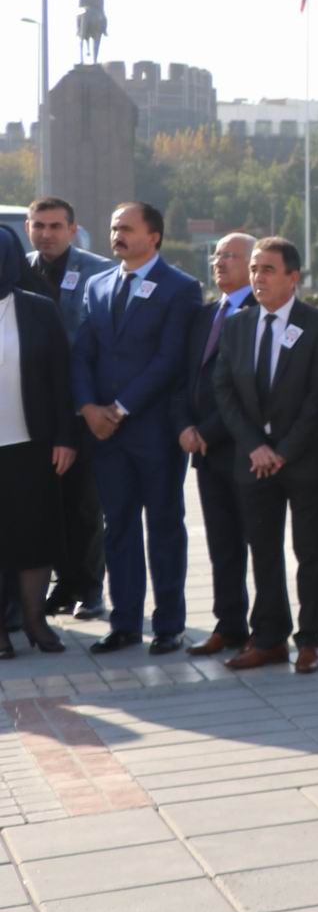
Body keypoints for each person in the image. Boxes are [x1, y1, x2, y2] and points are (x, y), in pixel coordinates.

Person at [72, 201, 200, 655]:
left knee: (164, 526)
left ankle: (168, 624)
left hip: (155, 432)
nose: (117, 235)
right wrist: (88, 408)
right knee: (118, 527)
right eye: (113, 228)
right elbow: (83, 350)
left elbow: (170, 361)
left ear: (155, 236)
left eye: (126, 228)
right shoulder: (97, 284)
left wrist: (120, 408)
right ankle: (124, 621)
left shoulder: (180, 288)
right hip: (105, 435)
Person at [210, 238, 318, 672]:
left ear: (293, 277)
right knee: (263, 550)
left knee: (312, 552)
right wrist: (255, 446)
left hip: (304, 459)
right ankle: (268, 638)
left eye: (267, 269)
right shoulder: (238, 324)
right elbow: (224, 391)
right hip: (254, 460)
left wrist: (282, 450)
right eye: (254, 269)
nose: (257, 278)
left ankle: (310, 641)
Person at [22, 197, 109, 619]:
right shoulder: (17, 269)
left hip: (82, 408)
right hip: (31, 412)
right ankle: (61, 586)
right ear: (27, 228)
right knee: (47, 504)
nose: (47, 234)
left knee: (83, 504)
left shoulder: (98, 271)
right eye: (39, 225)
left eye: (56, 226)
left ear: (73, 230)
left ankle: (89, 587)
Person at [175, 233, 256, 658]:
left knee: (257, 545)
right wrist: (185, 425)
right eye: (217, 254)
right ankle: (229, 626)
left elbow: (247, 389)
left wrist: (206, 429)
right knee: (223, 546)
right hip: (205, 453)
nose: (220, 262)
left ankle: (266, 631)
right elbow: (184, 377)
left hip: (243, 449)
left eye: (231, 255)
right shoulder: (205, 315)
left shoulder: (258, 314)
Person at [0, 227, 79, 657]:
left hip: (33, 443)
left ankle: (35, 620)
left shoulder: (37, 310)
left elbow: (61, 380)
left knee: (34, 534)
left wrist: (67, 437)